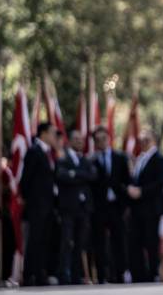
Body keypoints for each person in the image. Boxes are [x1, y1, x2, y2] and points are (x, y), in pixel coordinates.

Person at [127, 129, 163, 282]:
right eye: (141, 139)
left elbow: (159, 183)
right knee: (136, 242)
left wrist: (141, 192)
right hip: (137, 210)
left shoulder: (160, 159)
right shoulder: (139, 159)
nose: (143, 142)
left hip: (152, 209)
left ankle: (152, 275)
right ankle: (139, 275)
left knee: (151, 243)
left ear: (153, 140)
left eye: (147, 139)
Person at [56, 127, 96, 284]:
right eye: (76, 139)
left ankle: (76, 274)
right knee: (67, 242)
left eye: (81, 139)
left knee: (80, 242)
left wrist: (75, 174)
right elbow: (62, 176)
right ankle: (64, 274)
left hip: (84, 208)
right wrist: (80, 175)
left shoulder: (86, 160)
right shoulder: (63, 159)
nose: (80, 142)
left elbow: (92, 175)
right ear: (70, 141)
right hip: (68, 208)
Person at [91, 125, 130, 283]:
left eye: (104, 138)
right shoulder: (91, 160)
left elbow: (127, 182)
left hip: (116, 207)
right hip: (99, 208)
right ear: (95, 142)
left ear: (109, 139)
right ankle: (101, 276)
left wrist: (124, 205)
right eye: (98, 140)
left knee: (118, 241)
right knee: (99, 242)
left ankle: (119, 274)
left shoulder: (120, 158)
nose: (102, 142)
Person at [21, 122, 58, 286]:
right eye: (52, 133)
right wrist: (30, 201)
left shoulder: (48, 153)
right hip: (37, 206)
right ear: (43, 133)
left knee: (44, 240)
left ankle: (40, 273)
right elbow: (26, 179)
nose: (54, 137)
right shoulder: (34, 151)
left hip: (48, 205)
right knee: (34, 240)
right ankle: (29, 275)